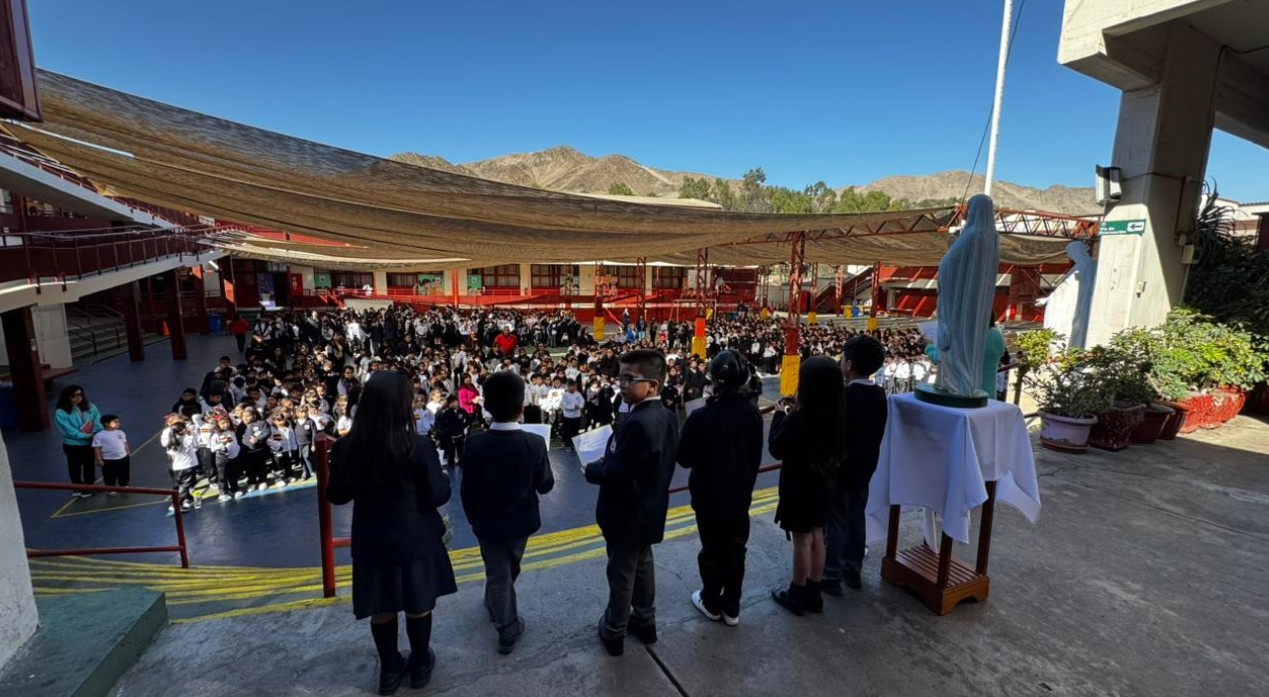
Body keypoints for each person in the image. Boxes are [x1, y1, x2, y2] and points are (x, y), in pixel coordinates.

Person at [327, 371, 456, 695]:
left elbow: (337, 495)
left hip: (372, 541)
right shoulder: (418, 446)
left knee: (381, 607)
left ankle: (389, 670)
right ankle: (420, 664)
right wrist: (441, 476)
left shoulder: (345, 447)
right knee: (418, 603)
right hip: (416, 540)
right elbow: (438, 494)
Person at [583, 349, 679, 657]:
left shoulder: (638, 423)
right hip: (649, 510)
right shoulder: (665, 415)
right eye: (620, 378)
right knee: (643, 565)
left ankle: (614, 629)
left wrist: (591, 469)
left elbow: (617, 473)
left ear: (652, 385)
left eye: (629, 379)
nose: (621, 385)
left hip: (626, 514)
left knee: (621, 573)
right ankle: (645, 620)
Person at [459, 372, 555, 654]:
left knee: (499, 570)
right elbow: (546, 485)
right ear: (521, 407)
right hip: (521, 522)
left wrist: (473, 518)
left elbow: (467, 490)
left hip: (486, 522)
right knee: (507, 570)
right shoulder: (534, 443)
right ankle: (507, 628)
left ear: (486, 407)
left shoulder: (473, 443)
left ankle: (495, 602)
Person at [676, 350, 763, 626]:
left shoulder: (702, 416)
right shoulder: (753, 412)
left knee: (712, 549)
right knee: (736, 549)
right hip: (740, 494)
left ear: (714, 380)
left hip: (709, 496)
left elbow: (684, 457)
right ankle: (731, 606)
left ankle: (711, 600)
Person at [768, 356, 847, 616]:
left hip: (798, 487)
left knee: (801, 541)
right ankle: (814, 592)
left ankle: (796, 593)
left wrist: (779, 415)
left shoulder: (798, 419)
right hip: (824, 485)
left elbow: (776, 448)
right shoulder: (837, 414)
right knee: (818, 536)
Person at [822, 336, 887, 596]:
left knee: (836, 522)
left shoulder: (844, 396)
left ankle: (830, 574)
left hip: (841, 471)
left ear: (849, 364)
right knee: (857, 518)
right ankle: (853, 569)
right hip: (865, 469)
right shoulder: (880, 395)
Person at [54, 385, 102, 498]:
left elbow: (97, 421)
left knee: (89, 465)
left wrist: (94, 432)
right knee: (74, 466)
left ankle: (89, 486)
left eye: (80, 395)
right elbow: (68, 430)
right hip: (73, 445)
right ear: (67, 397)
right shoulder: (60, 412)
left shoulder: (91, 407)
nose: (78, 398)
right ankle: (77, 487)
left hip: (89, 442)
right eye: (74, 396)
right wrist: (86, 436)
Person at [161, 416, 200, 511]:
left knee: (183, 485)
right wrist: (191, 434)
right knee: (185, 486)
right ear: (183, 430)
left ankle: (185, 500)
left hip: (178, 466)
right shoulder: (186, 439)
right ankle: (176, 504)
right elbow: (196, 444)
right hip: (187, 466)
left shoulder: (172, 442)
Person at [92, 414, 131, 494]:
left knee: (124, 473)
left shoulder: (120, 432)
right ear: (107, 424)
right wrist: (99, 459)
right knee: (109, 475)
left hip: (123, 458)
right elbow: (97, 448)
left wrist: (127, 453)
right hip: (108, 460)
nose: (118, 423)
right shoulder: (99, 435)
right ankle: (111, 488)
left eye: (118, 422)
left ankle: (124, 485)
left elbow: (125, 443)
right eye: (115, 422)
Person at [559, 380, 584, 451]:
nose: (572, 388)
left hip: (577, 416)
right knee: (567, 431)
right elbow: (563, 405)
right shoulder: (565, 395)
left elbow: (582, 402)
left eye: (574, 386)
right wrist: (573, 407)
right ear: (568, 387)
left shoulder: (578, 394)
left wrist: (579, 406)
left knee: (575, 431)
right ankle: (567, 444)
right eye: (571, 386)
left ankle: (575, 444)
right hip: (568, 416)